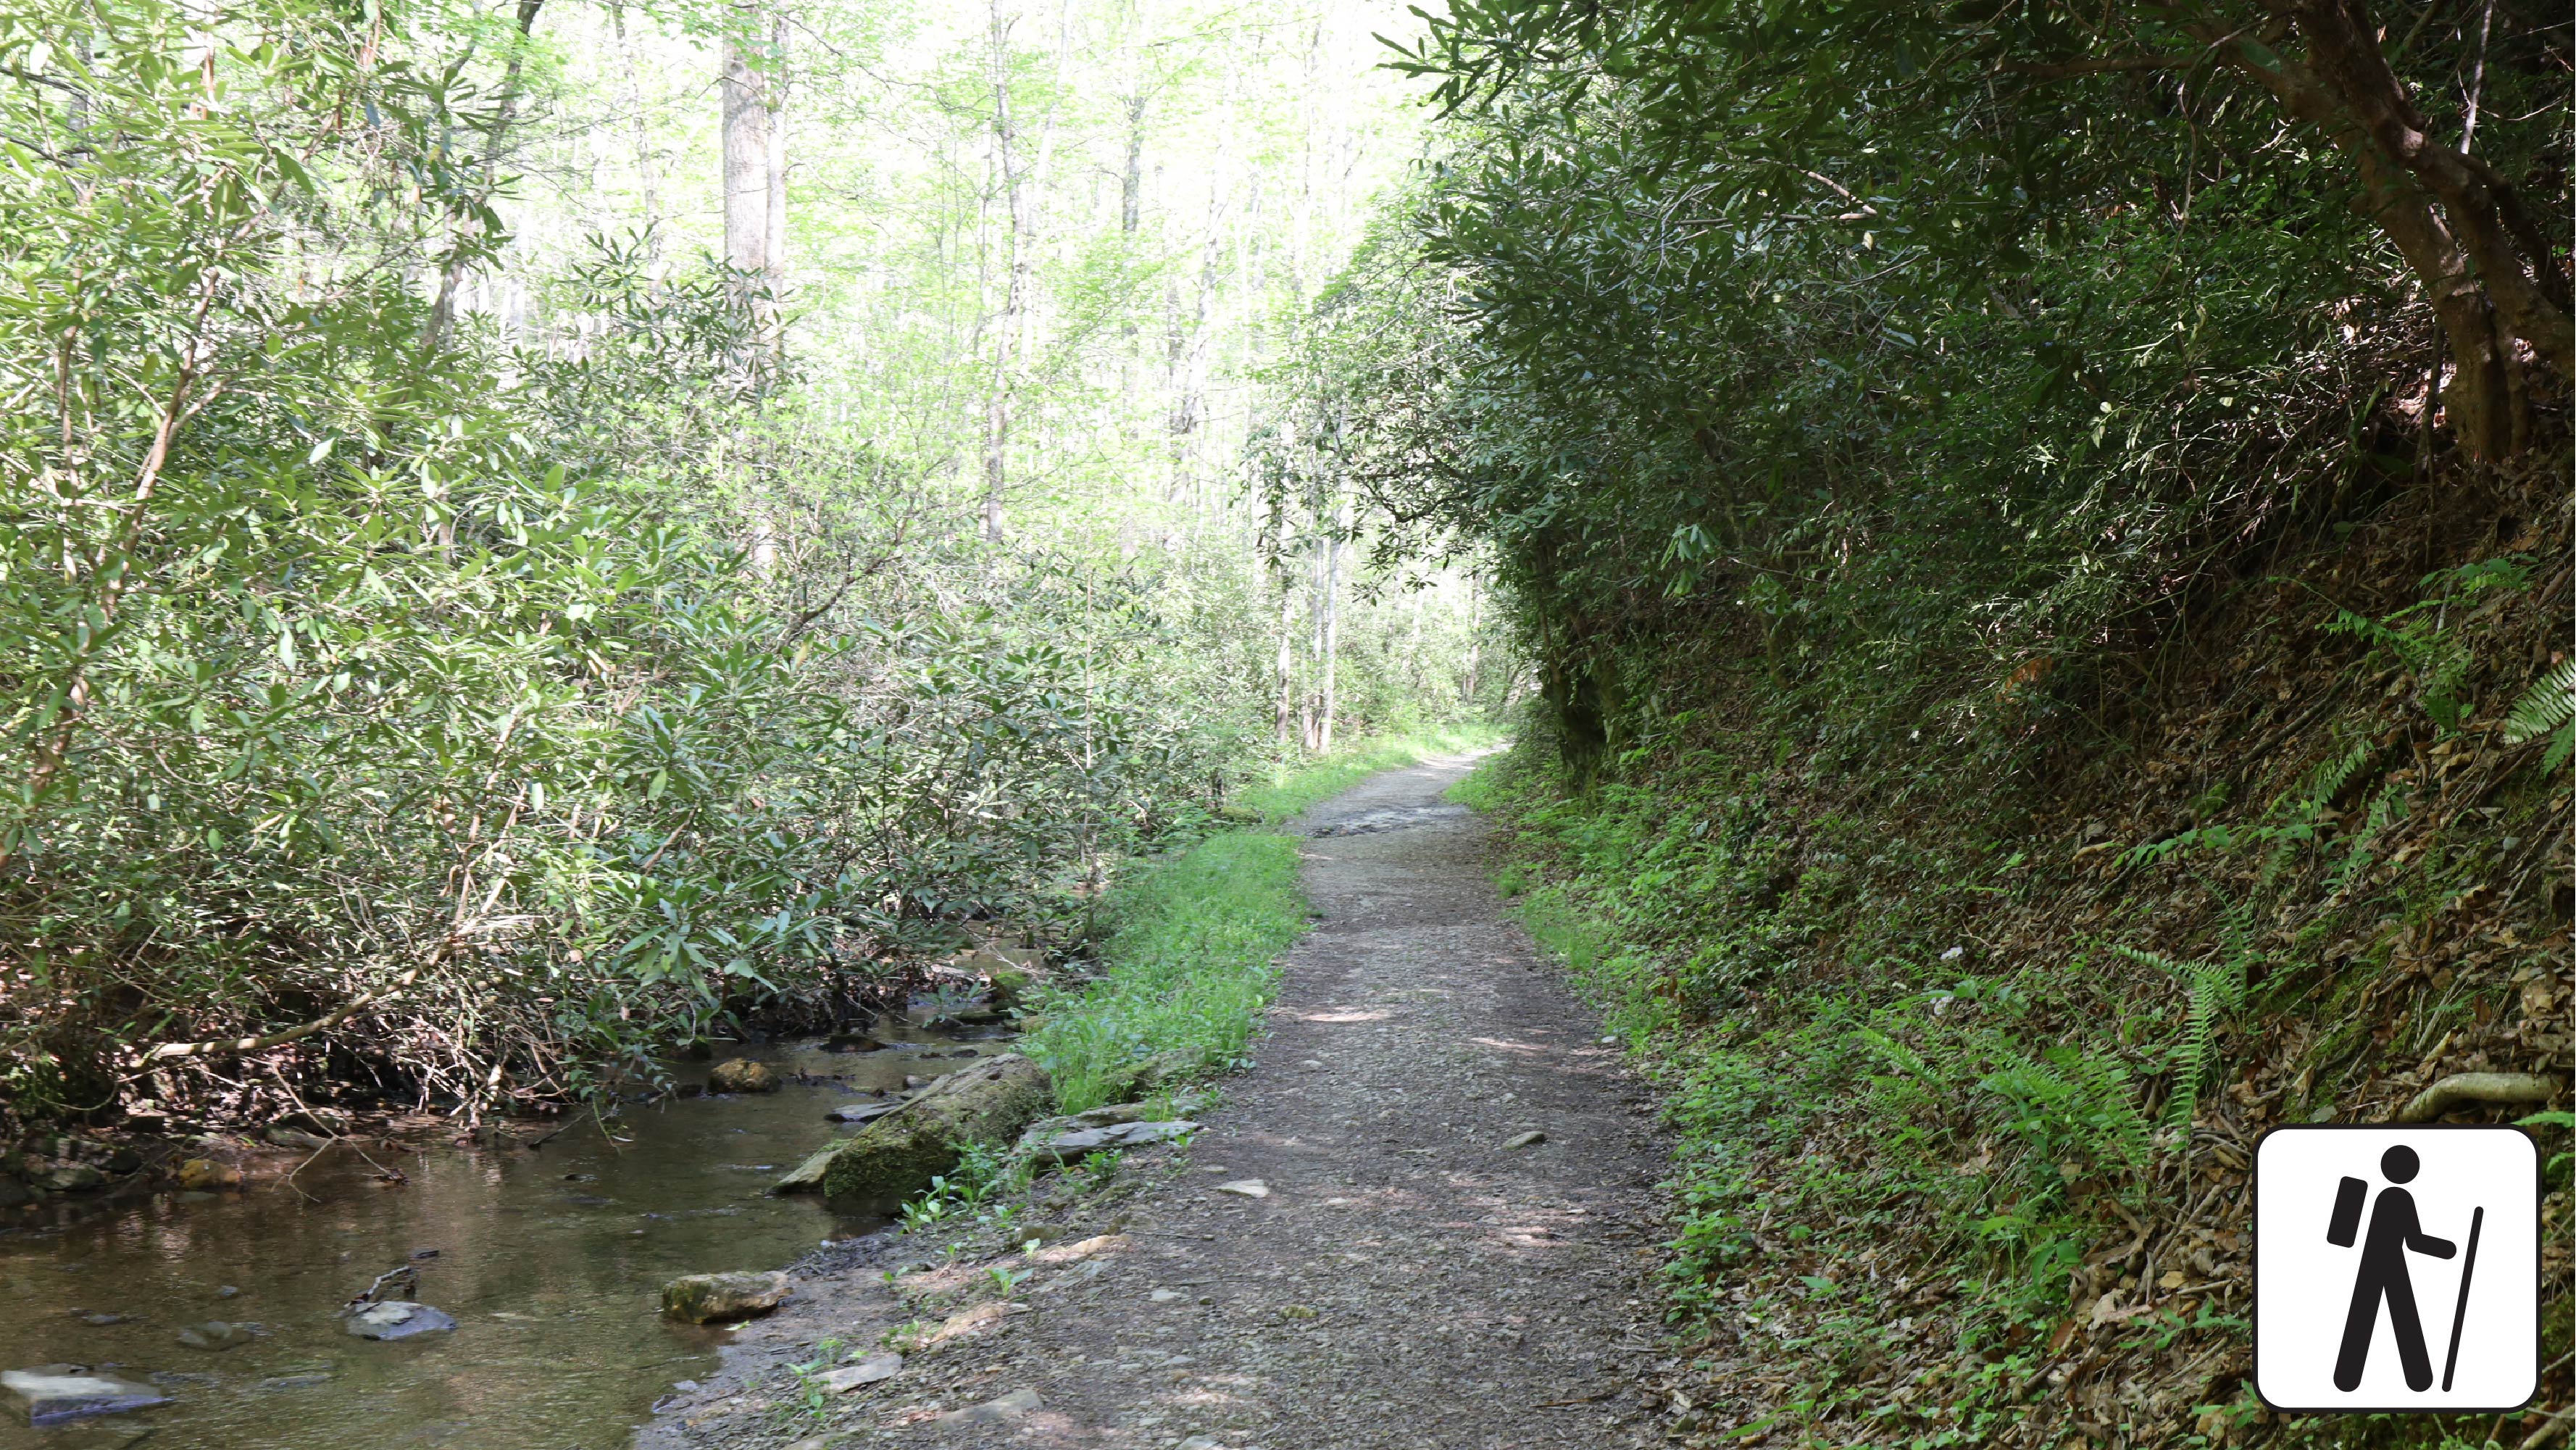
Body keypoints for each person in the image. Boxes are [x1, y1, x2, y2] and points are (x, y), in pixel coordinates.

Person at [2334, 1144, 2456, 1392]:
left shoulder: (2359, 1184)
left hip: (2376, 1262)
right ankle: (2418, 1379)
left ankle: (2348, 1379)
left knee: (2368, 1316)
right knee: (2402, 1316)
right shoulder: (2395, 1197)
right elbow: (2415, 1241)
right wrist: (2448, 1249)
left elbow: (2341, 1235)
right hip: (2385, 1262)